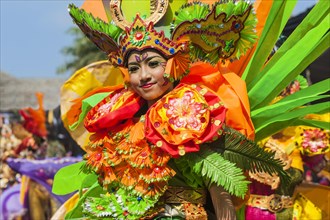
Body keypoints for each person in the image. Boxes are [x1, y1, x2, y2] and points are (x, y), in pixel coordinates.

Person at [52, 0, 329, 219]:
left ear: (172, 65)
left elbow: (221, 191)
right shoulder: (120, 124)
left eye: (152, 64)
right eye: (134, 68)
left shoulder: (193, 114)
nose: (143, 76)